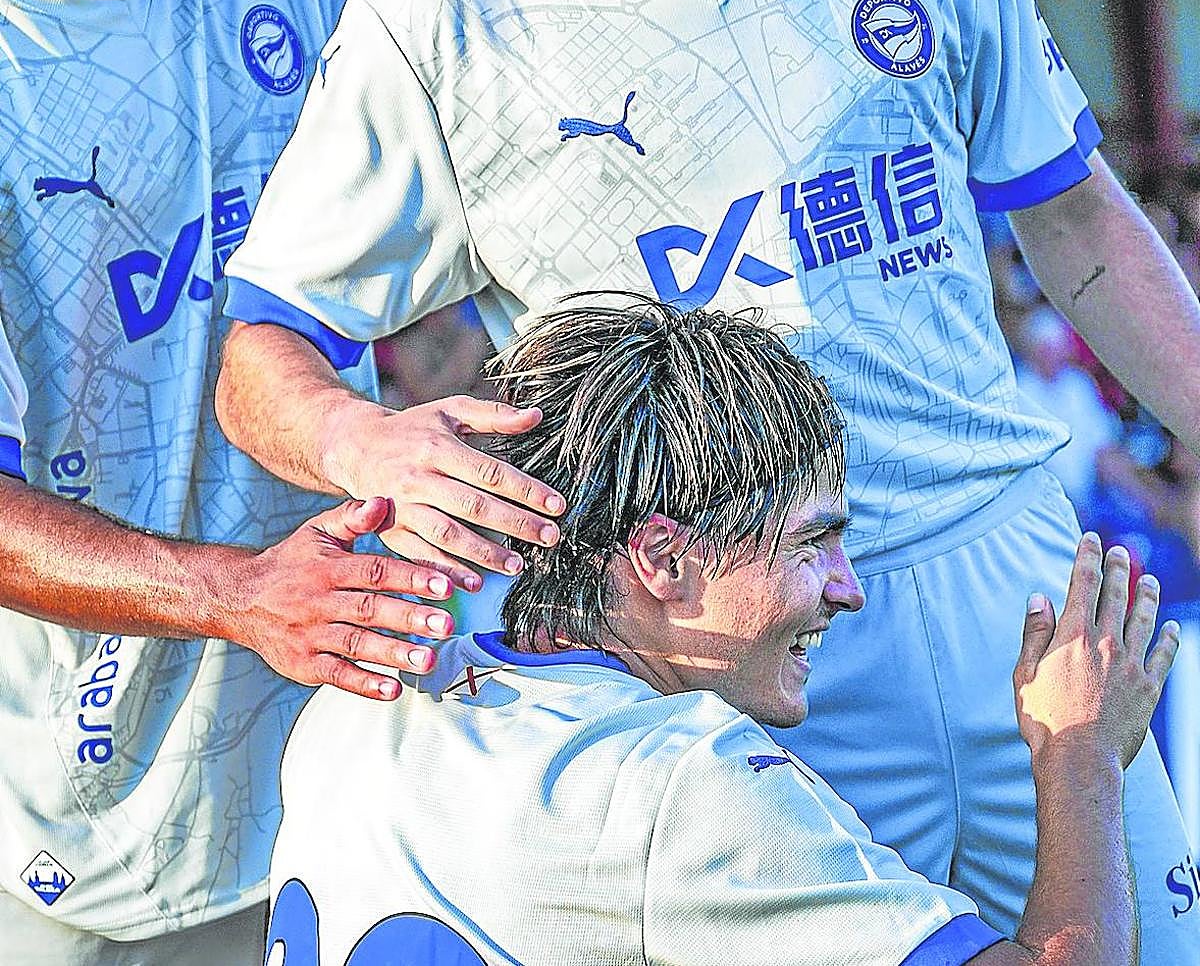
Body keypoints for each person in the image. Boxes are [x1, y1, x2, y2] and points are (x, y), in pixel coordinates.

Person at [216, 0, 1200, 955]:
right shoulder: (434, 18)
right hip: (744, 639)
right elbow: (265, 340)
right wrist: (354, 431)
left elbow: (1077, 216)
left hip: (1022, 581)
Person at [0, 0, 565, 961]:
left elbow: (422, 295)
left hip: (364, 754)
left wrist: (537, 486)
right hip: (99, 829)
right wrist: (244, 592)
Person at [266, 298, 1178, 966]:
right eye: (814, 540)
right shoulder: (682, 787)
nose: (848, 591)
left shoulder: (351, 708)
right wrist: (1083, 756)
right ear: (662, 559)